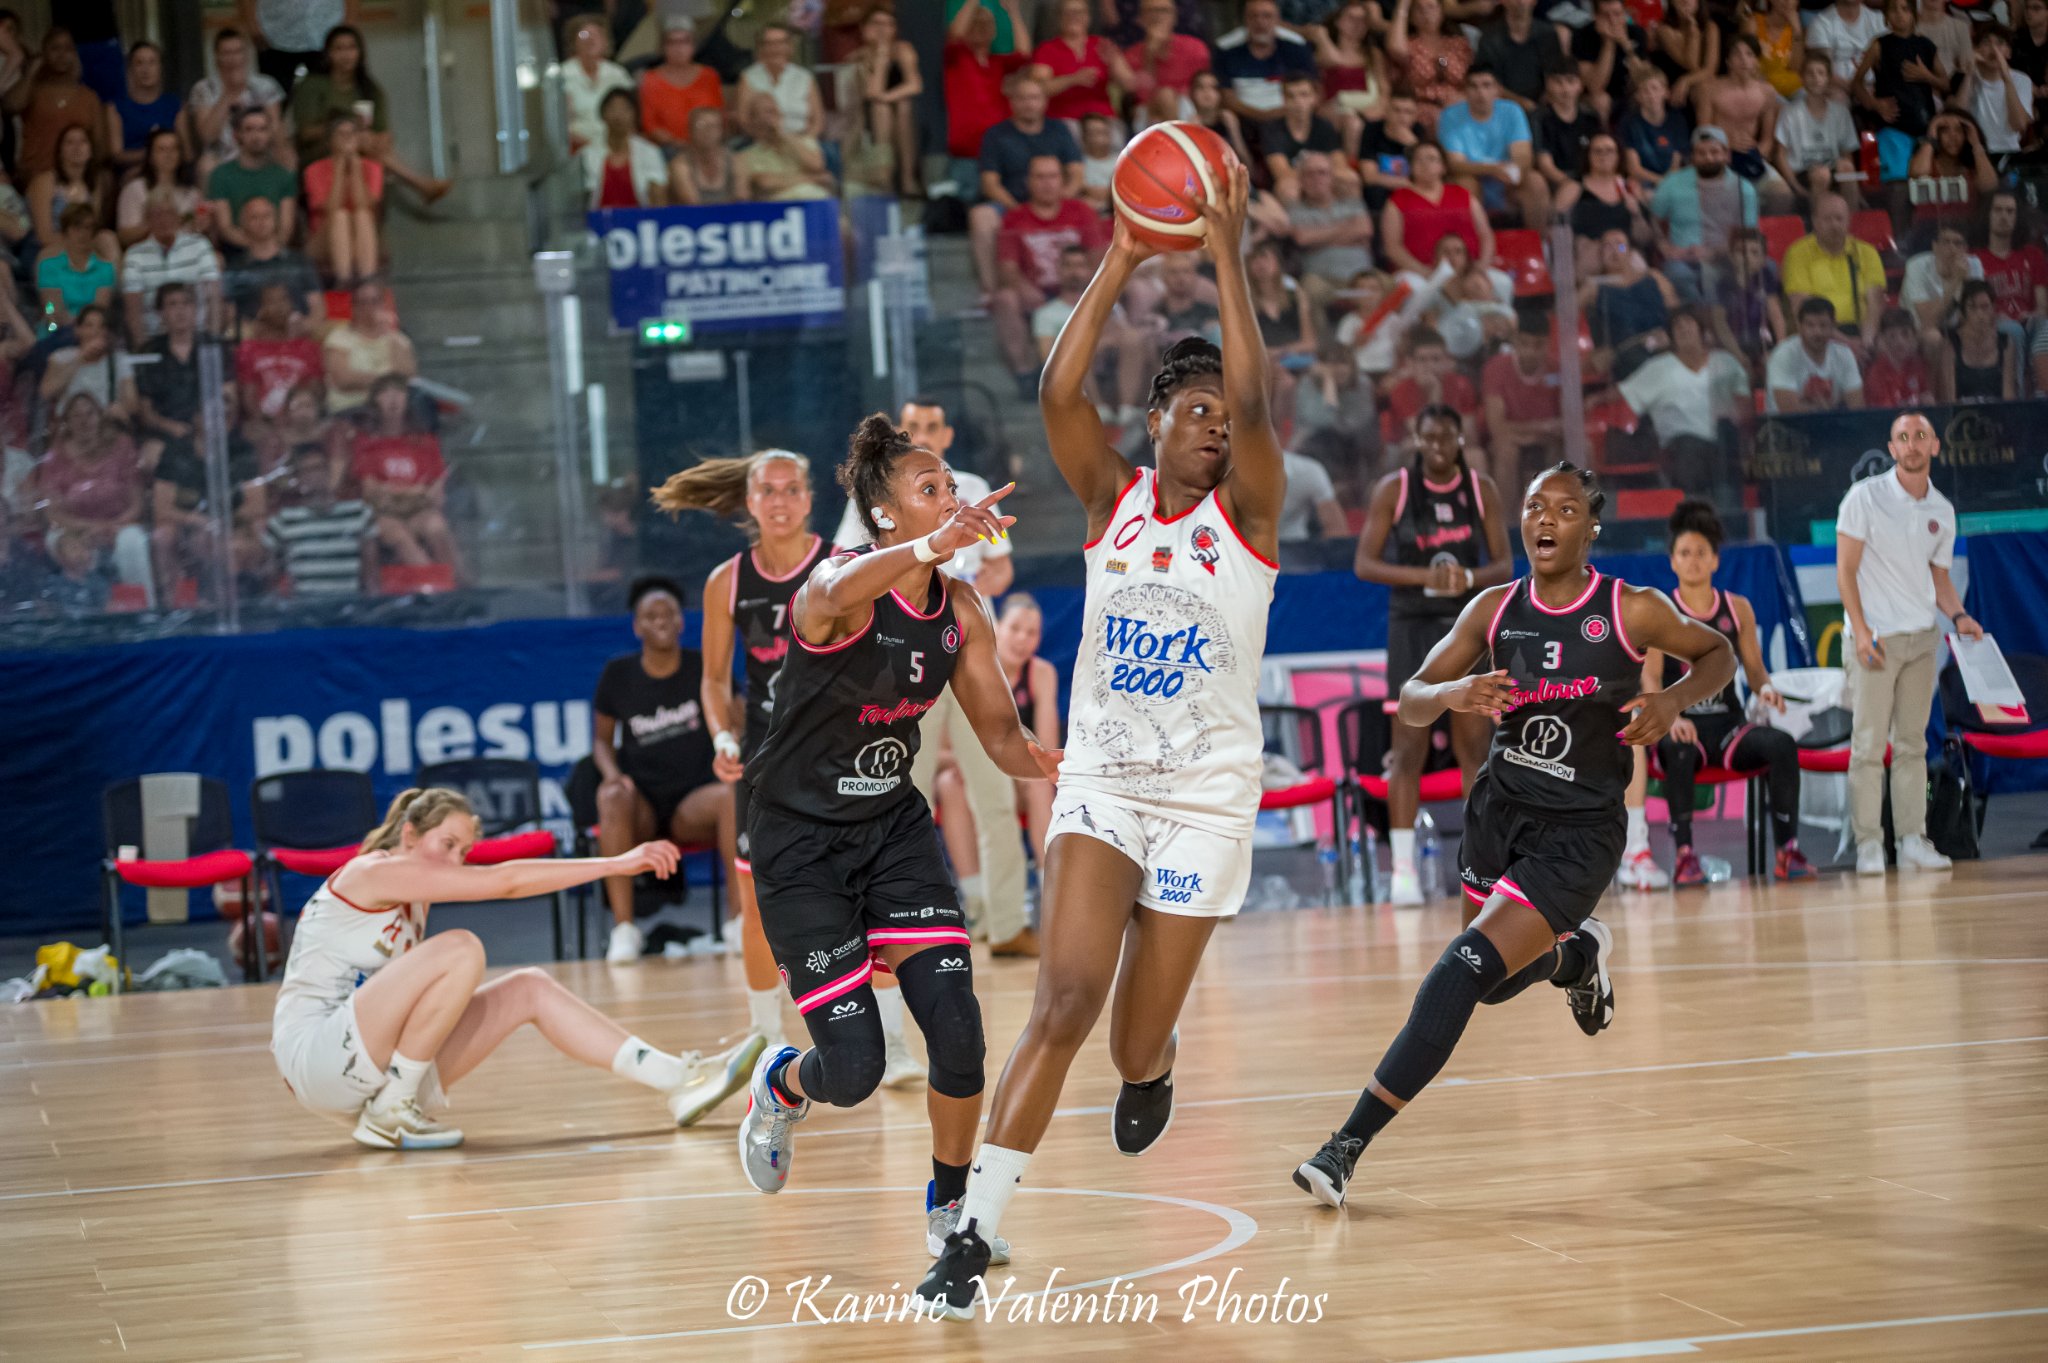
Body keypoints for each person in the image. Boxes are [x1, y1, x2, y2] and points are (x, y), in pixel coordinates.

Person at [916, 163, 1285, 1316]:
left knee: (1128, 1045)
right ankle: (971, 1233)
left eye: (1223, 415)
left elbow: (1258, 406)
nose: (1215, 425)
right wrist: (1122, 251)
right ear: (1155, 423)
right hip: (1105, 787)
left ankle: (1155, 1062)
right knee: (1061, 1002)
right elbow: (1055, 387)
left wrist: (1223, 254)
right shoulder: (1107, 500)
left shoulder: (1249, 513)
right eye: (1194, 412)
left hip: (1204, 801)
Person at [1291, 463, 1737, 1208]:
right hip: (1498, 813)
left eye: (1564, 508)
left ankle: (1344, 1148)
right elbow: (1410, 699)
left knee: (1459, 971)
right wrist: (1454, 691)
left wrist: (1671, 699)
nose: (1545, 519)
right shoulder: (1494, 608)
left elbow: (1718, 651)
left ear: (1591, 528)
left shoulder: (1631, 608)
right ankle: (1577, 958)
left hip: (1578, 835)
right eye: (1533, 506)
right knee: (1492, 986)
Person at [731, 415, 1054, 1275]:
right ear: (885, 514)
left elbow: (1000, 736)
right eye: (929, 489)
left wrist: (1056, 761)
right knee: (855, 1069)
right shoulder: (834, 585)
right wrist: (935, 543)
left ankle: (951, 1210)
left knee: (957, 1027)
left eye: (951, 486)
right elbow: (835, 591)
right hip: (800, 843)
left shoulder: (963, 610)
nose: (950, 498)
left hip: (892, 832)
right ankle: (781, 1083)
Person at [270, 787, 764, 1149]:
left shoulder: (416, 897)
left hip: (359, 1066)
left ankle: (678, 1080)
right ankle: (393, 1109)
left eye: (464, 852)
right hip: (314, 1054)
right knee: (461, 949)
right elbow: (505, 881)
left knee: (530, 988)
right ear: (409, 833)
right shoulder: (373, 872)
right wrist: (615, 863)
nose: (456, 861)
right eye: (447, 844)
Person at [653, 450, 868, 1060]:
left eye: (790, 489)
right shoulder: (727, 581)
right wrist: (722, 737)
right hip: (763, 765)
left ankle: (895, 1042)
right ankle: (765, 1037)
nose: (779, 501)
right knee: (757, 906)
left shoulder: (843, 566)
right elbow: (713, 680)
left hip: (835, 760)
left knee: (856, 900)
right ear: (750, 502)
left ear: (809, 499)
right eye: (767, 491)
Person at [828, 400, 1032, 957]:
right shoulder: (875, 493)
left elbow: (1002, 567)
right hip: (896, 656)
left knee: (995, 788)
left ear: (947, 433)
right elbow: (846, 564)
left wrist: (958, 583)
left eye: (931, 427)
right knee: (900, 794)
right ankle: (897, 922)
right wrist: (921, 561)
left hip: (962, 647)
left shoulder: (972, 488)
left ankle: (1006, 922)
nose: (922, 433)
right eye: (912, 426)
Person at [1354, 404, 1511, 903]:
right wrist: (1426, 577)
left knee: (1475, 748)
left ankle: (1480, 863)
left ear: (1460, 439)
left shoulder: (1480, 489)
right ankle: (1402, 871)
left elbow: (1505, 564)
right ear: (1416, 440)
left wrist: (1467, 578)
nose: (1438, 447)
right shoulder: (1395, 489)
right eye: (1429, 438)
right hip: (1412, 627)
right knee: (1408, 749)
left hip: (1465, 627)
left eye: (1446, 437)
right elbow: (1364, 563)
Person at [1835, 413, 1982, 876]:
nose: (1912, 444)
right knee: (1868, 746)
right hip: (1874, 640)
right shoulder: (1864, 497)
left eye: (1921, 436)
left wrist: (1959, 616)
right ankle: (1869, 845)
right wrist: (1861, 631)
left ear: (1935, 445)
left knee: (1913, 745)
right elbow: (1845, 570)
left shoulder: (1942, 510)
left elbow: (1940, 580)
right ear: (1892, 448)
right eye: (1903, 437)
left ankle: (1912, 839)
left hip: (1921, 639)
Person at [1641, 500, 1815, 887]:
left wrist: (1766, 689)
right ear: (1672, 561)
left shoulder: (1737, 609)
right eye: (1685, 553)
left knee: (1781, 744)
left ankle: (1788, 850)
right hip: (1683, 728)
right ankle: (1685, 857)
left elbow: (1754, 669)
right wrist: (1671, 717)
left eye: (1701, 553)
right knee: (1679, 748)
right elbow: (1650, 680)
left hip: (1728, 729)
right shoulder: (1661, 613)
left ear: (1715, 560)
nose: (1693, 561)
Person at [584, 573, 737, 959]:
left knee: (732, 795)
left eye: (669, 614)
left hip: (693, 801)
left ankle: (737, 922)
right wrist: (614, 776)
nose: (662, 622)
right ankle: (624, 930)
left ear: (681, 621)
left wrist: (732, 744)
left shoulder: (703, 667)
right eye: (651, 616)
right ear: (637, 627)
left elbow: (739, 720)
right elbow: (601, 741)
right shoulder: (618, 674)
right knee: (611, 796)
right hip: (644, 804)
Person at [289, 25, 450, 205]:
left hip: (363, 151)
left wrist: (372, 139)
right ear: (328, 54)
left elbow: (384, 134)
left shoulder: (370, 89)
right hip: (319, 151)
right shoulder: (312, 85)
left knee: (369, 142)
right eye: (339, 48)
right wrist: (347, 132)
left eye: (351, 48)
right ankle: (421, 184)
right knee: (357, 139)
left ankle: (421, 185)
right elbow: (305, 133)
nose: (346, 55)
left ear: (360, 52)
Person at [990, 154, 1109, 395]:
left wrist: (1083, 292)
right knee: (1004, 298)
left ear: (1062, 181)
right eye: (1040, 177)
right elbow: (1007, 268)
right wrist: (1027, 291)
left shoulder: (1081, 211)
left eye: (1053, 177)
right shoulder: (1014, 218)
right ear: (1028, 182)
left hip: (1079, 289)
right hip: (1036, 293)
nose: (1047, 183)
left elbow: (1098, 258)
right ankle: (1025, 375)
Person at [31, 392, 153, 602]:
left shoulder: (122, 446)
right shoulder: (56, 456)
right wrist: (87, 528)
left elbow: (137, 502)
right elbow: (52, 512)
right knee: (69, 548)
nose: (84, 420)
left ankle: (143, 607)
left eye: (90, 414)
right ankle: (84, 611)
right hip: (72, 529)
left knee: (132, 542)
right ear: (67, 422)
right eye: (77, 416)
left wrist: (111, 527)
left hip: (120, 526)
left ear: (100, 417)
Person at [972, 77, 1084, 295]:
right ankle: (991, 291)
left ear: (1044, 101)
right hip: (1011, 204)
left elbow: (1076, 175)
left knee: (1091, 208)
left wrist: (1058, 205)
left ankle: (1091, 288)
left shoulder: (1059, 130)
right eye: (1022, 98)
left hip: (1055, 203)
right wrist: (1022, 212)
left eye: (1034, 98)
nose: (1029, 104)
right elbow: (989, 184)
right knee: (981, 216)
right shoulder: (996, 135)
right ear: (1012, 102)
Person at [1619, 307, 1750, 477]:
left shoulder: (1725, 362)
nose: (1683, 328)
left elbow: (1744, 405)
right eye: (1677, 325)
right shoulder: (1658, 367)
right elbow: (1624, 394)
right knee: (1689, 447)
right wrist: (1595, 399)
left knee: (1727, 444)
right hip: (1681, 450)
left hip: (1723, 445)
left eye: (1688, 322)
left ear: (1701, 331)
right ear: (1671, 336)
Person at [352, 372, 458, 571]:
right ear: (375, 401)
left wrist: (393, 492)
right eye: (385, 393)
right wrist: (415, 492)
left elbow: (435, 496)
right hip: (385, 517)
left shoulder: (426, 442)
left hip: (420, 514)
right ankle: (431, 581)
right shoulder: (366, 443)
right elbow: (371, 494)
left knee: (437, 527)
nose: (393, 398)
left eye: (399, 392)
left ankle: (457, 581)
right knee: (399, 535)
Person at [1648, 127, 1756, 305]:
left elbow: (1747, 236)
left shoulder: (1743, 189)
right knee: (1677, 274)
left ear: (1727, 155)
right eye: (1701, 153)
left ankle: (1710, 315)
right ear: (1693, 157)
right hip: (1682, 259)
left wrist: (1713, 252)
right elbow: (1653, 219)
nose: (1708, 158)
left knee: (1756, 269)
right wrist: (1663, 245)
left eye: (1714, 152)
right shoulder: (1672, 183)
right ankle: (1705, 315)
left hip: (1726, 258)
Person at [1438, 65, 1544, 225]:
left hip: (1506, 180)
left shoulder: (1512, 111)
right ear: (1465, 90)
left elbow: (1523, 156)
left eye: (1486, 85)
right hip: (1473, 177)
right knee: (1464, 183)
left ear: (1498, 90)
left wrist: (1511, 172)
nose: (1480, 93)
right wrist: (1493, 169)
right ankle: (1471, 239)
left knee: (1535, 181)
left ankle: (1537, 238)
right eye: (1473, 86)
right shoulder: (1450, 116)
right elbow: (1455, 164)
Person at [1695, 36, 1791, 211]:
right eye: (1737, 54)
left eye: (1749, 54)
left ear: (1756, 61)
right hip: (1718, 157)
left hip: (1751, 157)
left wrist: (1754, 155)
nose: (1744, 60)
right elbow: (1703, 134)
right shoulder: (1709, 89)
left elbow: (1767, 141)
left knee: (1782, 195)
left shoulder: (1767, 92)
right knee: (1731, 197)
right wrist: (1727, 145)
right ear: (1728, 61)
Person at [1782, 191, 1886, 343]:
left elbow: (1875, 304)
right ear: (1815, 221)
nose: (1834, 225)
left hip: (1862, 335)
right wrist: (1847, 344)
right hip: (1818, 336)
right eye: (1827, 219)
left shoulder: (1867, 252)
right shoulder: (1797, 253)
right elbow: (1802, 307)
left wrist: (1867, 342)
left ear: (1848, 221)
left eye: (1839, 218)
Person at [121, 189, 223, 344]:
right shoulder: (134, 255)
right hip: (154, 339)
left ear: (178, 216)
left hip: (198, 337)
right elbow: (133, 310)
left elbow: (214, 296)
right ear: (147, 220)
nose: (164, 220)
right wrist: (143, 349)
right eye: (157, 215)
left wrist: (212, 341)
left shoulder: (199, 246)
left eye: (169, 213)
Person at [181, 29, 286, 176]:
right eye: (227, 53)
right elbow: (207, 136)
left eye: (238, 51)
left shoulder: (266, 85)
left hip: (259, 153)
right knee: (206, 165)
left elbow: (274, 129)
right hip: (221, 158)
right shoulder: (204, 88)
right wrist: (229, 94)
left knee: (286, 155)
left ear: (246, 54)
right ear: (216, 56)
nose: (233, 58)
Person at [1382, 140, 1492, 280]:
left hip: (1468, 271)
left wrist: (1480, 267)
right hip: (1417, 273)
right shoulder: (1397, 200)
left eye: (1431, 159)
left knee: (1502, 282)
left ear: (1443, 166)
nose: (1425, 164)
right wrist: (1425, 273)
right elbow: (1392, 247)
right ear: (1411, 167)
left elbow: (1485, 235)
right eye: (1418, 159)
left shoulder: (1463, 194)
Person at [9, 28, 106, 183]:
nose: (61, 55)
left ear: (75, 54)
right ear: (44, 53)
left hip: (75, 179)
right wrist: (31, 72)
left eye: (68, 49)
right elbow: (10, 106)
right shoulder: (33, 91)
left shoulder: (89, 97)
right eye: (55, 48)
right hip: (35, 176)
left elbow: (99, 146)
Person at [1482, 311, 1563, 486]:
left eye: (1538, 345)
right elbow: (1497, 427)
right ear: (1515, 341)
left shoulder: (1557, 368)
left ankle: (1576, 503)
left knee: (1581, 446)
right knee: (1506, 450)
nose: (1531, 352)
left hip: (1546, 440)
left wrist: (1536, 433)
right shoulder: (1496, 368)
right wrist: (1542, 428)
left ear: (1549, 343)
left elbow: (1566, 423)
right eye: (1524, 343)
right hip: (1512, 440)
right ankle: (1506, 505)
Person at [853, 7, 926, 197]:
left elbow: (914, 84)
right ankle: (884, 174)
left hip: (903, 114)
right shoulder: (859, 57)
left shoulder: (903, 49)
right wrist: (881, 55)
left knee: (903, 105)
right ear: (864, 28)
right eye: (876, 24)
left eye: (888, 24)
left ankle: (907, 179)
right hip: (870, 117)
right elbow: (871, 92)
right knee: (881, 109)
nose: (882, 29)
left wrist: (886, 97)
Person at [206, 106, 299, 254]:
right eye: (249, 129)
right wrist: (259, 248)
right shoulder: (221, 175)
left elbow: (286, 228)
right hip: (236, 254)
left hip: (276, 252)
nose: (256, 136)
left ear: (270, 133)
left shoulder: (283, 176)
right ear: (237, 135)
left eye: (262, 129)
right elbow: (226, 228)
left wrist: (268, 250)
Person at [1775, 52, 1861, 207]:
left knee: (1846, 167)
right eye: (1810, 73)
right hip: (1802, 173)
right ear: (1802, 78)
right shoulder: (1790, 112)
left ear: (1829, 78)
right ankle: (1817, 218)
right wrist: (1795, 186)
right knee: (1822, 174)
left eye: (1821, 73)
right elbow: (1780, 154)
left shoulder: (1841, 112)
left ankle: (1851, 217)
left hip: (1832, 169)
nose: (1816, 78)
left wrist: (1847, 173)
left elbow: (1847, 153)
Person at [225, 193, 322, 329]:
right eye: (254, 217)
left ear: (275, 219)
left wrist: (304, 327)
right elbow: (230, 315)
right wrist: (252, 331)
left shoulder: (299, 262)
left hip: (297, 336)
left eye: (266, 216)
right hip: (254, 338)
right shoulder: (235, 268)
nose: (261, 222)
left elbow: (318, 308)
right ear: (243, 223)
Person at [1217, 0, 1321, 126]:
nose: (1260, 22)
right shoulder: (1226, 49)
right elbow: (1226, 97)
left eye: (1267, 16)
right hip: (1243, 121)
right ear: (1245, 19)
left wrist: (1278, 114)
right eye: (1253, 16)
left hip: (1289, 121)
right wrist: (1262, 116)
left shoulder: (1297, 47)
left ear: (1278, 19)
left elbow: (1315, 90)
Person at [29, 122, 117, 267]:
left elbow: (93, 227)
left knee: (107, 238)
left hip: (83, 244)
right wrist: (79, 242)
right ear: (60, 151)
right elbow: (44, 235)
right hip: (50, 246)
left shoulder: (95, 184)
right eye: (70, 142)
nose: (77, 147)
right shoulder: (46, 181)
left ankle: (114, 281)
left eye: (83, 142)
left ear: (91, 150)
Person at [323, 279, 417, 413]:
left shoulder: (398, 339)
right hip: (352, 408)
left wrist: (390, 334)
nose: (370, 307)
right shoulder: (339, 338)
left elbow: (406, 375)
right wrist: (387, 381)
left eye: (375, 301)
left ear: (383, 304)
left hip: (391, 411)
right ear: (354, 307)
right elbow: (343, 380)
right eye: (364, 302)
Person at [637, 20, 723, 157]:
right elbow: (650, 126)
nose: (679, 48)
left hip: (707, 146)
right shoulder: (649, 79)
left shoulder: (709, 76)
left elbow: (718, 115)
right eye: (672, 42)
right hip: (667, 149)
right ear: (662, 47)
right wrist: (678, 144)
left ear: (693, 45)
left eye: (685, 42)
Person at [1266, 73, 1354, 204]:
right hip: (1296, 181)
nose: (1298, 102)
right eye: (1291, 96)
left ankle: (1352, 217)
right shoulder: (1273, 130)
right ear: (1283, 100)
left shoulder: (1324, 126)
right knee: (1287, 188)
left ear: (1314, 98)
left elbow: (1339, 163)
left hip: (1321, 176)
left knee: (1350, 179)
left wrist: (1320, 178)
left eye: (1304, 95)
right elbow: (1282, 173)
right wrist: (1315, 177)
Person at [734, 91, 836, 202]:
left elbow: (817, 166)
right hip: (778, 207)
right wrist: (813, 179)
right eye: (767, 112)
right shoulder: (744, 156)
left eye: (775, 111)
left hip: (814, 201)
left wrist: (783, 135)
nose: (773, 116)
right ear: (754, 120)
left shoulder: (804, 141)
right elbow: (765, 183)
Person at [1386, 0, 1473, 129]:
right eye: (1419, 9)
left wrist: (1464, 96)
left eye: (1431, 7)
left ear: (1441, 12)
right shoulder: (1411, 46)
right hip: (1423, 109)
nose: (1426, 13)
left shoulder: (1458, 44)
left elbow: (1473, 77)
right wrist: (1403, 5)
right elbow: (1395, 49)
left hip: (1459, 104)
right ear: (1412, 17)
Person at [1767, 296, 1865, 411]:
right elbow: (1788, 410)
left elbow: (1857, 406)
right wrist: (1825, 409)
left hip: (1833, 421)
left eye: (1823, 325)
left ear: (1833, 326)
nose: (1817, 332)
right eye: (1810, 325)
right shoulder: (1783, 354)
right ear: (1799, 326)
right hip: (1786, 423)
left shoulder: (1844, 354)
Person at [1124, 0, 1213, 124]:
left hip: (1191, 109)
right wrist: (1149, 55)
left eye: (1164, 11)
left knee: (1167, 96)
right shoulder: (1131, 55)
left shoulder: (1196, 47)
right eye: (1151, 11)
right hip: (1148, 114)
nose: (1158, 16)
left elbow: (1205, 87)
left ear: (1174, 17)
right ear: (1141, 19)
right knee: (1164, 96)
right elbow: (1142, 96)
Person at [117, 128, 205, 249]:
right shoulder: (135, 189)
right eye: (162, 149)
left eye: (174, 149)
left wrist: (201, 225)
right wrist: (158, 223)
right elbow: (124, 236)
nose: (169, 154)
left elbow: (198, 232)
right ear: (150, 156)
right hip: (147, 253)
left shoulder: (192, 193)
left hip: (186, 252)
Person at [1474, 0, 1569, 111]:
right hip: (1501, 106)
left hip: (1545, 106)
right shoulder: (1488, 38)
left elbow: (1555, 72)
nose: (1520, 2)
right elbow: (1487, 80)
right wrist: (1521, 103)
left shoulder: (1548, 34)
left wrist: (1545, 100)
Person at [736, 22, 824, 141]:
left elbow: (818, 121)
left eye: (781, 42)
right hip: (763, 141)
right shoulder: (748, 77)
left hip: (802, 140)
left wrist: (805, 142)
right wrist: (768, 140)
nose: (775, 48)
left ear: (790, 47)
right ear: (761, 48)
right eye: (769, 43)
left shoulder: (804, 77)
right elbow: (743, 120)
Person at [104, 41, 181, 175]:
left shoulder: (174, 105)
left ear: (160, 68)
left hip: (170, 173)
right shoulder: (115, 107)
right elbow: (117, 155)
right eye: (139, 63)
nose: (146, 69)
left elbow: (186, 152)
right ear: (130, 69)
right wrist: (153, 155)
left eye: (152, 62)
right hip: (130, 174)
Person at [36, 203, 118, 328]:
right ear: (65, 231)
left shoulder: (105, 269)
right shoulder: (48, 266)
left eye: (88, 228)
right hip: (56, 329)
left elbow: (98, 311)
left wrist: (82, 330)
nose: (83, 234)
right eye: (77, 227)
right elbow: (51, 308)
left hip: (92, 331)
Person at [583, 88, 668, 208]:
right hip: (599, 218)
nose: (618, 115)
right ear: (602, 114)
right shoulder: (587, 155)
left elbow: (659, 197)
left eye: (625, 109)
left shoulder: (650, 152)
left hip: (640, 218)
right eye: (613, 108)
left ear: (635, 115)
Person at [561, 15, 632, 152]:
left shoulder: (618, 74)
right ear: (573, 41)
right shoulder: (562, 75)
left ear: (606, 41)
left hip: (615, 147)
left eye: (597, 35)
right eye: (584, 34)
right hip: (576, 148)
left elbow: (631, 117)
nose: (590, 39)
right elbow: (558, 125)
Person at [1962, 25, 2034, 158]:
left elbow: (2019, 125)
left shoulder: (2022, 80)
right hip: (1974, 152)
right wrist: (1969, 74)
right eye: (1986, 43)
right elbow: (1958, 116)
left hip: (2009, 152)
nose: (1993, 49)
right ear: (1976, 49)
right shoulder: (1966, 77)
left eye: (2000, 43)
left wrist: (2006, 78)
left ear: (2009, 52)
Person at [1943, 279, 2020, 401]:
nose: (1979, 314)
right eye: (1972, 307)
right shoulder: (1951, 343)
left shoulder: (2005, 343)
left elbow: (2008, 393)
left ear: (1993, 308)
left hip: (1996, 410)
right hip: (1962, 411)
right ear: (1963, 311)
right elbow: (1949, 398)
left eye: (1985, 307)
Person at [1618, 66, 1691, 194]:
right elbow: (1634, 168)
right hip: (1643, 182)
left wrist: (1668, 184)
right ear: (1637, 96)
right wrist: (1661, 182)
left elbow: (1676, 162)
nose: (1651, 95)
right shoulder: (1629, 123)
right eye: (1645, 91)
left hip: (1671, 180)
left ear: (1666, 92)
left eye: (1655, 88)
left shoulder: (1677, 121)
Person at [1571, 0, 1646, 122]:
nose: (1612, 20)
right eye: (1605, 15)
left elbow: (1644, 78)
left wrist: (1626, 45)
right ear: (1595, 16)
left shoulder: (1636, 32)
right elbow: (1595, 86)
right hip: (1597, 96)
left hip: (1628, 91)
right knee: (1601, 100)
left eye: (1617, 14)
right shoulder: (1582, 36)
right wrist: (1608, 43)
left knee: (1649, 92)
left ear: (1624, 13)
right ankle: (1605, 133)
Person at [1863, 305, 1936, 406]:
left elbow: (1927, 396)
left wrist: (1928, 401)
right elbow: (1884, 412)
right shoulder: (1876, 373)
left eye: (1905, 334)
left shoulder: (1919, 366)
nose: (1900, 342)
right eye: (1892, 336)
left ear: (1914, 336)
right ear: (1883, 339)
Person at [1808, 0, 1888, 89]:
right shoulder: (1821, 23)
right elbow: (1824, 72)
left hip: (1878, 88)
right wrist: (1860, 91)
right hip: (1838, 89)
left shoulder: (1880, 20)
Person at [1751, 0, 1806, 99]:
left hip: (1793, 89)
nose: (1787, 1)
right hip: (1763, 89)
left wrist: (1797, 31)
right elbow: (1747, 63)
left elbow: (1795, 68)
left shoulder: (1798, 29)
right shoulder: (1753, 23)